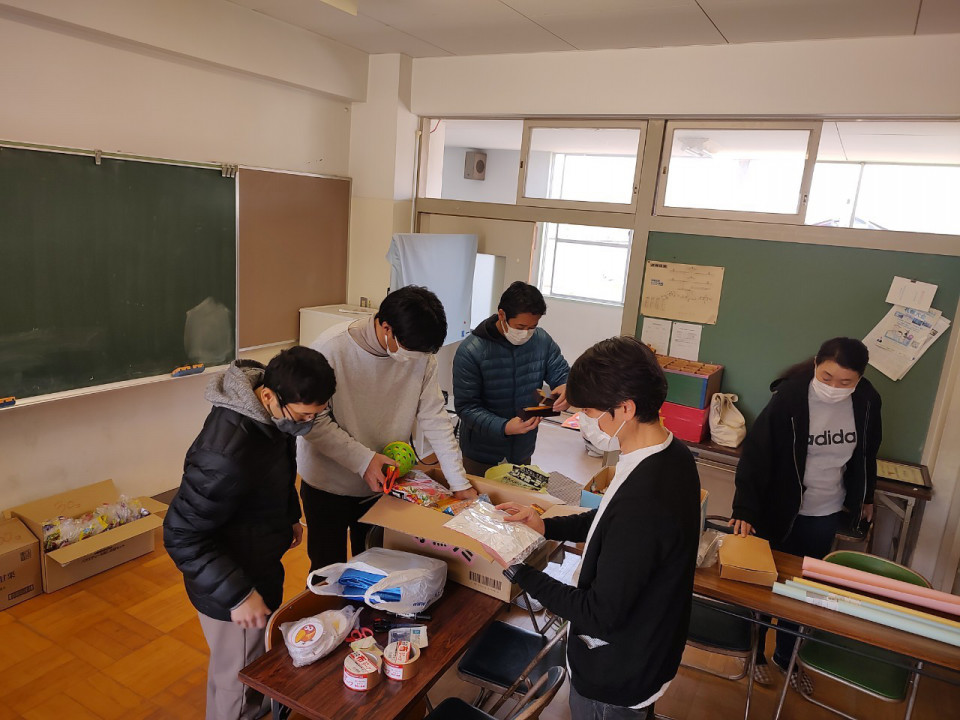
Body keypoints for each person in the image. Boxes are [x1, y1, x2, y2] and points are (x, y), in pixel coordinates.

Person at [494, 336, 701, 719]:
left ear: (626, 408)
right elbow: (610, 518)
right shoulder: (669, 454)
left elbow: (597, 614)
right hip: (650, 644)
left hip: (617, 676)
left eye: (589, 411)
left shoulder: (647, 499)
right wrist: (545, 525)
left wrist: (520, 571)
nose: (584, 421)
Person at [163, 347, 336, 720]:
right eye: (304, 416)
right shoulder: (225, 457)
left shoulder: (267, 414)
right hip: (231, 583)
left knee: (237, 670)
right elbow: (180, 534)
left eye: (316, 415)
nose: (308, 424)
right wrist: (239, 595)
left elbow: (279, 467)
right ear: (269, 395)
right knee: (240, 683)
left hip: (254, 559)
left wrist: (290, 515)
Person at [730, 337, 882, 685]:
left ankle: (787, 656)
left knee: (802, 592)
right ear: (816, 364)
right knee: (764, 587)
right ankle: (755, 652)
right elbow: (756, 454)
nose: (834, 387)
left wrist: (866, 496)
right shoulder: (790, 397)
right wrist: (745, 508)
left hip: (825, 512)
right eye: (827, 377)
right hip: (777, 508)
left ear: (860, 378)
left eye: (845, 382)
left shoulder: (867, 400)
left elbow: (867, 453)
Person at [298, 285, 477, 572]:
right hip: (328, 483)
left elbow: (434, 417)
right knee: (327, 570)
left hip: (385, 482)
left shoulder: (421, 355)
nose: (416, 358)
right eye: (411, 351)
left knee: (377, 566)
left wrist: (459, 483)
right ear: (386, 328)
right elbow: (313, 422)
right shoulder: (331, 349)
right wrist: (364, 460)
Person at [453, 281, 570, 476]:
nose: (526, 333)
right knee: (480, 495)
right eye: (521, 326)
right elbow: (466, 407)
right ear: (502, 315)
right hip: (481, 453)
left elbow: (561, 372)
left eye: (533, 327)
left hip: (522, 448)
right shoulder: (471, 351)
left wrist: (567, 387)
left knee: (518, 494)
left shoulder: (541, 340)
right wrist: (504, 427)